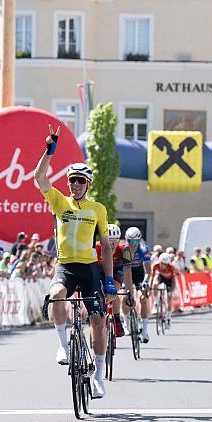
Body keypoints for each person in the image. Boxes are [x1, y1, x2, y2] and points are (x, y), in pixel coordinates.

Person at [34, 125, 116, 399]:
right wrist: (49, 151)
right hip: (66, 266)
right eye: (72, 180)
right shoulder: (60, 203)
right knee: (56, 295)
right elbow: (39, 177)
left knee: (97, 322)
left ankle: (99, 376)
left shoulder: (98, 209)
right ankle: (63, 345)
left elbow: (105, 246)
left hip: (90, 269)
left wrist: (108, 278)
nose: (76, 184)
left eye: (81, 180)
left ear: (88, 184)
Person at [120, 226, 152, 342]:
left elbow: (148, 271)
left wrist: (145, 281)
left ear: (139, 240)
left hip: (139, 273)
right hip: (125, 272)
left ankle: (144, 330)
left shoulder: (144, 249)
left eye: (135, 241)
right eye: (130, 241)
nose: (132, 244)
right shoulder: (123, 248)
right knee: (124, 297)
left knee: (143, 298)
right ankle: (126, 323)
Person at [149, 253, 177, 327]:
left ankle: (168, 316)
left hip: (169, 280)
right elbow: (152, 277)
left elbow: (174, 281)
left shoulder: (171, 267)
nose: (163, 266)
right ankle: (156, 302)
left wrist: (171, 291)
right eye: (162, 263)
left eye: (165, 264)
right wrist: (150, 287)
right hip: (161, 277)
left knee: (169, 298)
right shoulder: (155, 265)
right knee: (155, 283)